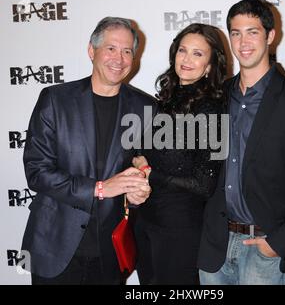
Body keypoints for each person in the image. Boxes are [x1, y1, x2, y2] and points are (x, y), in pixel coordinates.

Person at [198, 0, 285, 285]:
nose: (243, 42)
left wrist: (279, 243)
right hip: (215, 246)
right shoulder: (216, 95)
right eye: (236, 32)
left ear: (270, 35)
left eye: (252, 32)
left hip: (264, 249)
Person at [21, 17, 156, 285]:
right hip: (55, 246)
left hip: (111, 251)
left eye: (127, 51)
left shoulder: (146, 107)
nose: (119, 58)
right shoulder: (56, 100)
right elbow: (37, 172)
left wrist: (142, 186)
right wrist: (100, 188)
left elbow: (147, 163)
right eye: (111, 48)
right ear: (92, 51)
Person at [131, 23, 227, 284]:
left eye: (198, 53)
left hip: (180, 231)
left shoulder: (212, 111)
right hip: (146, 221)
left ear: (209, 65)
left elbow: (204, 184)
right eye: (183, 50)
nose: (186, 59)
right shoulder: (164, 101)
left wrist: (151, 174)